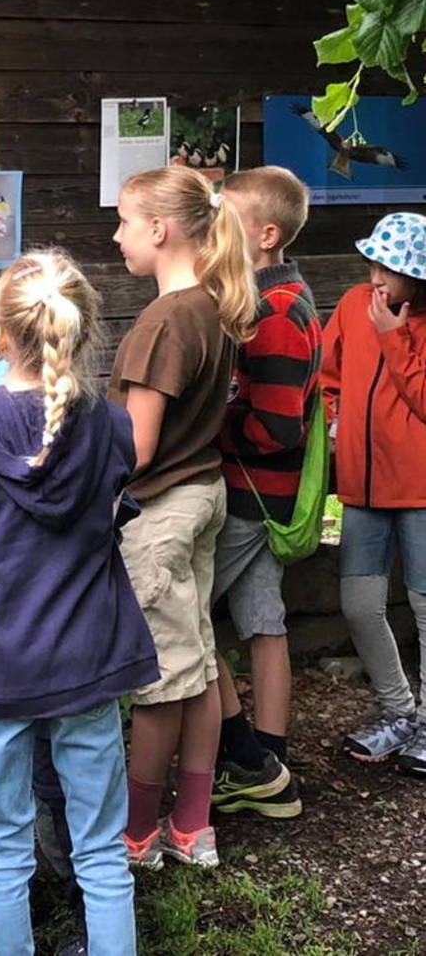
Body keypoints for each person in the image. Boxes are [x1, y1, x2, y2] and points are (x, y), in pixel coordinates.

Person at [0, 251, 159, 956]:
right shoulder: (112, 425)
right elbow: (100, 509)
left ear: (0, 335)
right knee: (98, 848)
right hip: (86, 653)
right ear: (86, 332)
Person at [110, 165, 256, 868]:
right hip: (204, 494)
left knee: (160, 680)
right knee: (197, 665)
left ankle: (136, 836)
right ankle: (191, 825)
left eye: (123, 222)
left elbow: (133, 449)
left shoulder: (163, 317)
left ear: (159, 229)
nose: (116, 236)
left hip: (160, 513)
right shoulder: (213, 303)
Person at [209, 167, 322, 817]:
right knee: (263, 622)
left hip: (251, 493)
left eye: (225, 219)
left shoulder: (276, 310)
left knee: (189, 619)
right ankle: (269, 761)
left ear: (264, 233)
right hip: (266, 497)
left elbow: (276, 426)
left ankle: (247, 756)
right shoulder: (278, 295)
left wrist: (218, 425)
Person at [322, 211, 426, 777]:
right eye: (374, 264)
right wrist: (335, 418)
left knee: (425, 607)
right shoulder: (351, 306)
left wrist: (394, 338)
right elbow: (328, 375)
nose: (378, 278)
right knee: (359, 606)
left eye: (391, 269)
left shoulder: (407, 323)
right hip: (360, 487)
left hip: (420, 488)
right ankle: (397, 712)